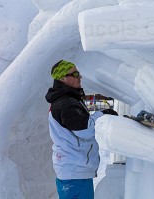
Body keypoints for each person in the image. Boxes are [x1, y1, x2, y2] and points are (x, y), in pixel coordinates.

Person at [45, 60, 116, 199]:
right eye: (75, 74)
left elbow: (81, 115)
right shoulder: (66, 104)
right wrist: (103, 114)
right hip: (75, 173)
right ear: (63, 78)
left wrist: (104, 108)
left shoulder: (66, 100)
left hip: (73, 170)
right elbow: (87, 130)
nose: (80, 76)